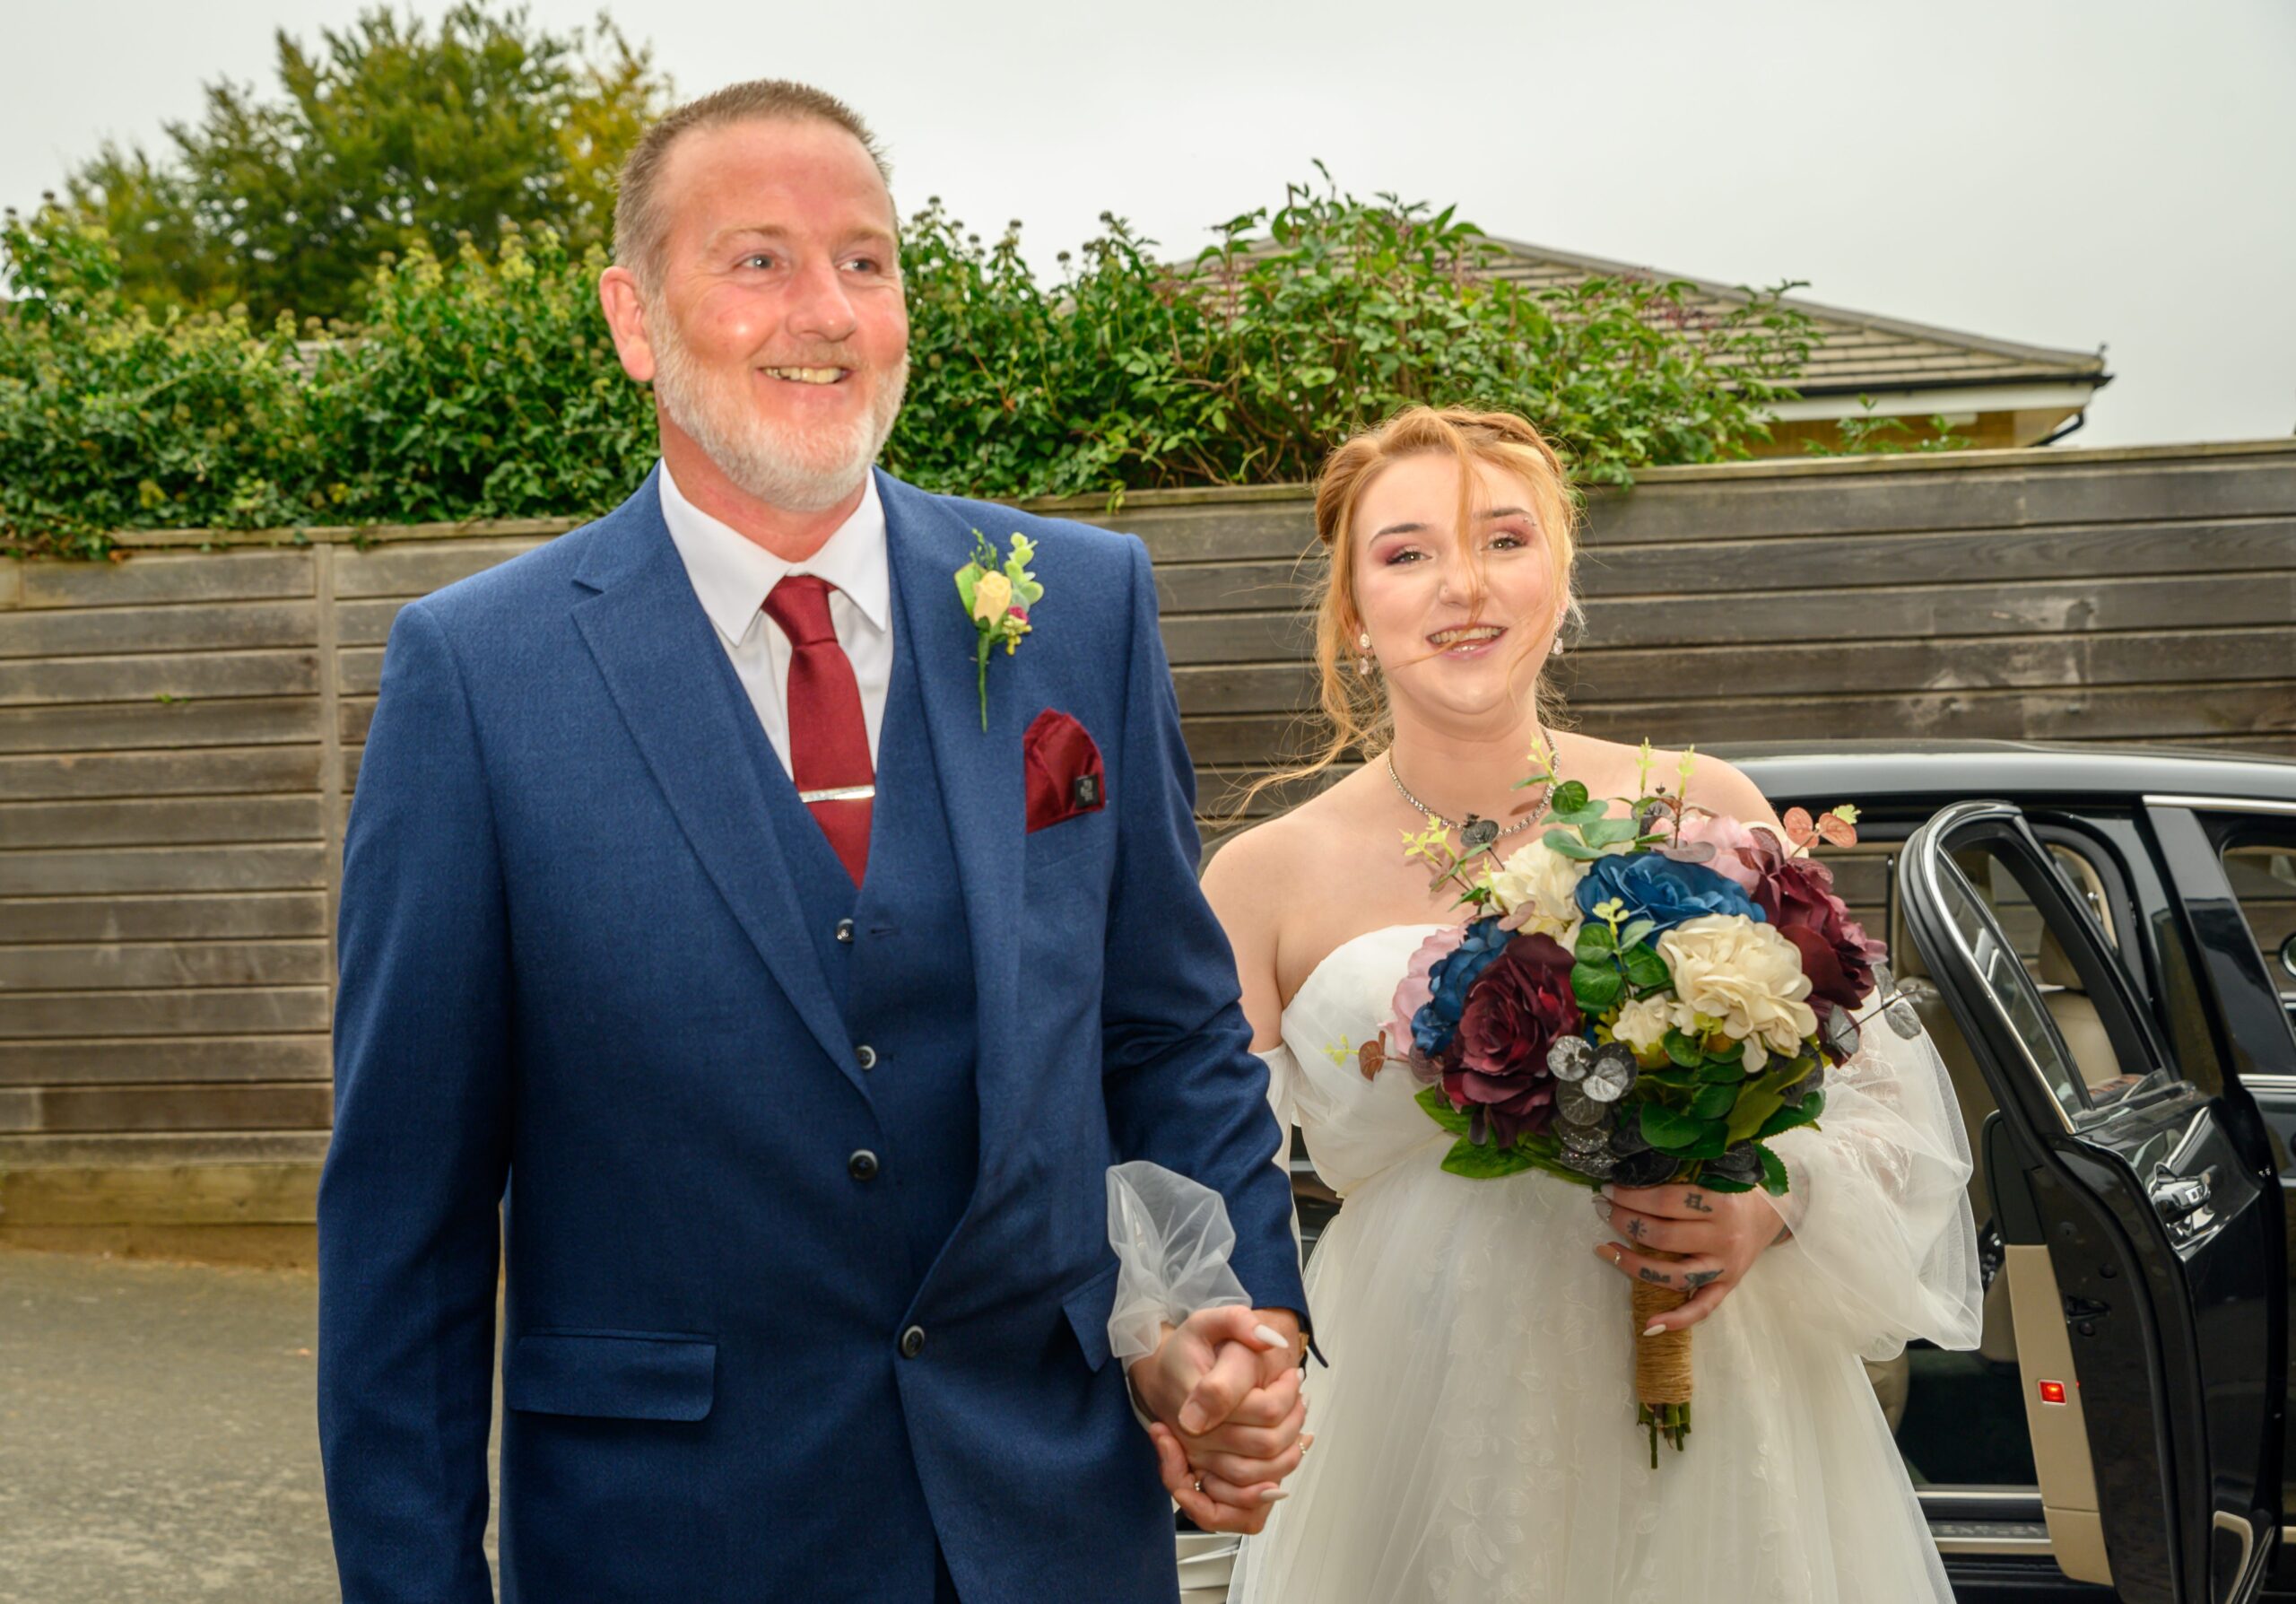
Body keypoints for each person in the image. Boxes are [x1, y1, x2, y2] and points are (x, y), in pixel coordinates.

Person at [317, 79, 1308, 1604]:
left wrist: (1232, 1321)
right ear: (636, 320)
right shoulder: (478, 675)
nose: (827, 311)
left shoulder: (1081, 606)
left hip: (1051, 1529)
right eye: (759, 260)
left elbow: (1168, 1032)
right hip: (670, 1543)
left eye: (864, 260)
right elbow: (408, 1214)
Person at [1205, 406, 1983, 1602]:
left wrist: (1770, 1204)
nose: (1463, 586)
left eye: (1504, 539)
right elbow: (1204, 1186)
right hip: (1418, 1425)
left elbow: (1882, 1112)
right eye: (1407, 553)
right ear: (1354, 612)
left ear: (1562, 580)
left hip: (1718, 1394)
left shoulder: (1703, 808)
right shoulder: (1262, 881)